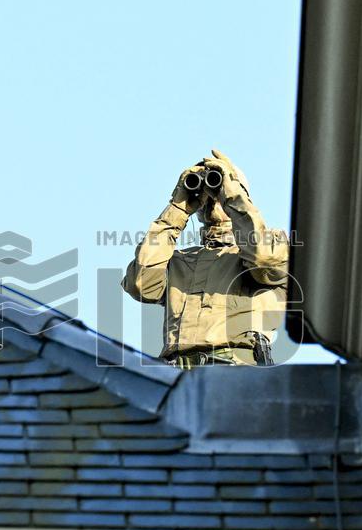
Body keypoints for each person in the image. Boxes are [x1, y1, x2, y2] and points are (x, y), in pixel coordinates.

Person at [121, 150, 289, 368]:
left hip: (236, 370)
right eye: (207, 193)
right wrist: (177, 208)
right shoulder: (179, 260)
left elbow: (263, 258)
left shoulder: (275, 247)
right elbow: (141, 285)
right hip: (176, 374)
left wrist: (231, 191)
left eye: (217, 189)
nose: (212, 198)